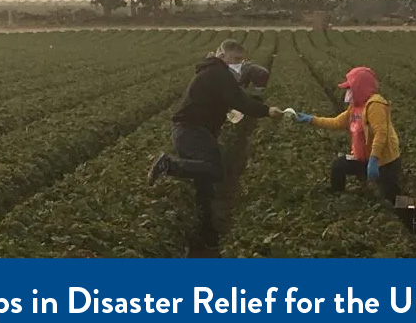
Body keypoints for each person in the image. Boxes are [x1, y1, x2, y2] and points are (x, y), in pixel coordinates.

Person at [147, 39, 283, 249]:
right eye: (236, 59)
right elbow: (241, 100)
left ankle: (207, 235)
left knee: (205, 184)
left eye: (242, 59)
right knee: (214, 169)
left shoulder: (213, 71)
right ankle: (168, 165)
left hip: (194, 130)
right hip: (191, 130)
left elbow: (224, 99)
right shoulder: (219, 73)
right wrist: (267, 111)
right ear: (223, 56)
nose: (239, 63)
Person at [295, 66, 402, 204]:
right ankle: (337, 195)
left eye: (349, 89)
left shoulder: (375, 105)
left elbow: (381, 133)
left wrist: (374, 159)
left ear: (360, 87)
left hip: (384, 161)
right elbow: (337, 122)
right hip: (363, 157)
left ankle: (413, 217)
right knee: (339, 166)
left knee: (392, 195)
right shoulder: (355, 107)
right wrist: (311, 119)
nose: (347, 93)